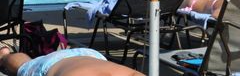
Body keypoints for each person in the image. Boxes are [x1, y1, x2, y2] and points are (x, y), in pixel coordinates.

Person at [0, 46, 144, 76]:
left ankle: (4, 55)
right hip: (52, 64)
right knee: (24, 65)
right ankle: (4, 56)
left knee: (26, 64)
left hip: (91, 55)